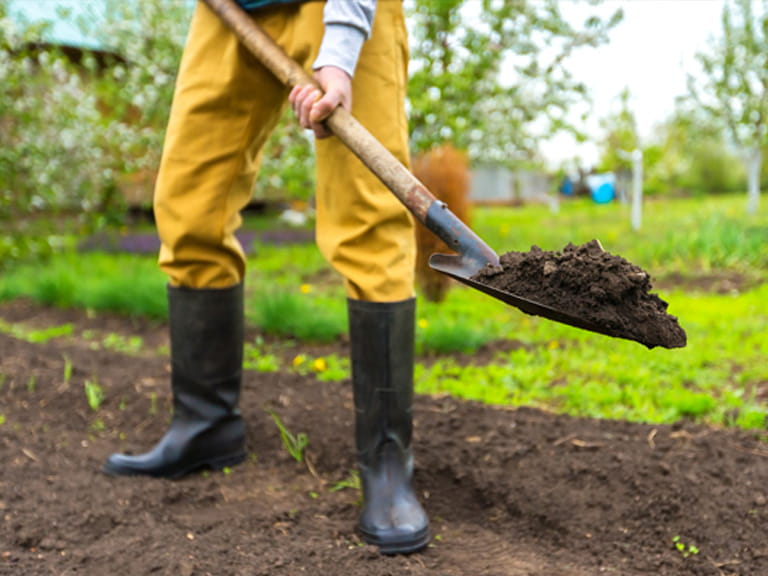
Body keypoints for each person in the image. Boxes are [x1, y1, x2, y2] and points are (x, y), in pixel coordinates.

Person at [102, 0, 430, 556]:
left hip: (345, 9)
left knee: (368, 218)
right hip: (227, 11)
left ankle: (386, 459)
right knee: (189, 206)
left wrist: (341, 49)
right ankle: (204, 425)